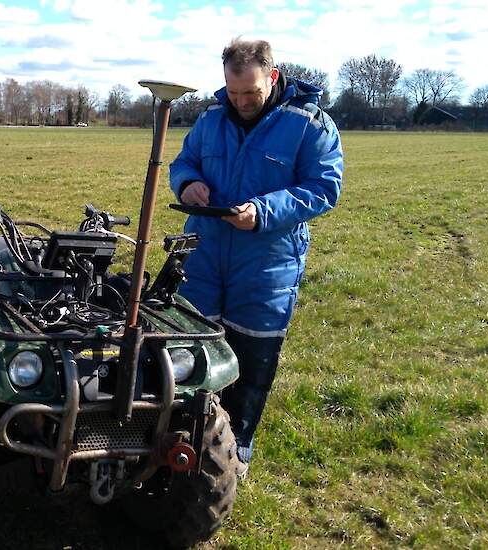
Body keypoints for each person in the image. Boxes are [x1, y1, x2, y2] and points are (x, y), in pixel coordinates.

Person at [168, 38, 344, 477]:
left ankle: (237, 447)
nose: (243, 102)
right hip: (204, 252)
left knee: (252, 353)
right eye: (234, 93)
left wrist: (264, 212)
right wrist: (187, 183)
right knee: (188, 345)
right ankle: (178, 436)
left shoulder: (310, 124)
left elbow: (324, 188)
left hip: (267, 259)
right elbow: (183, 161)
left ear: (274, 78)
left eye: (252, 93)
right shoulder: (210, 119)